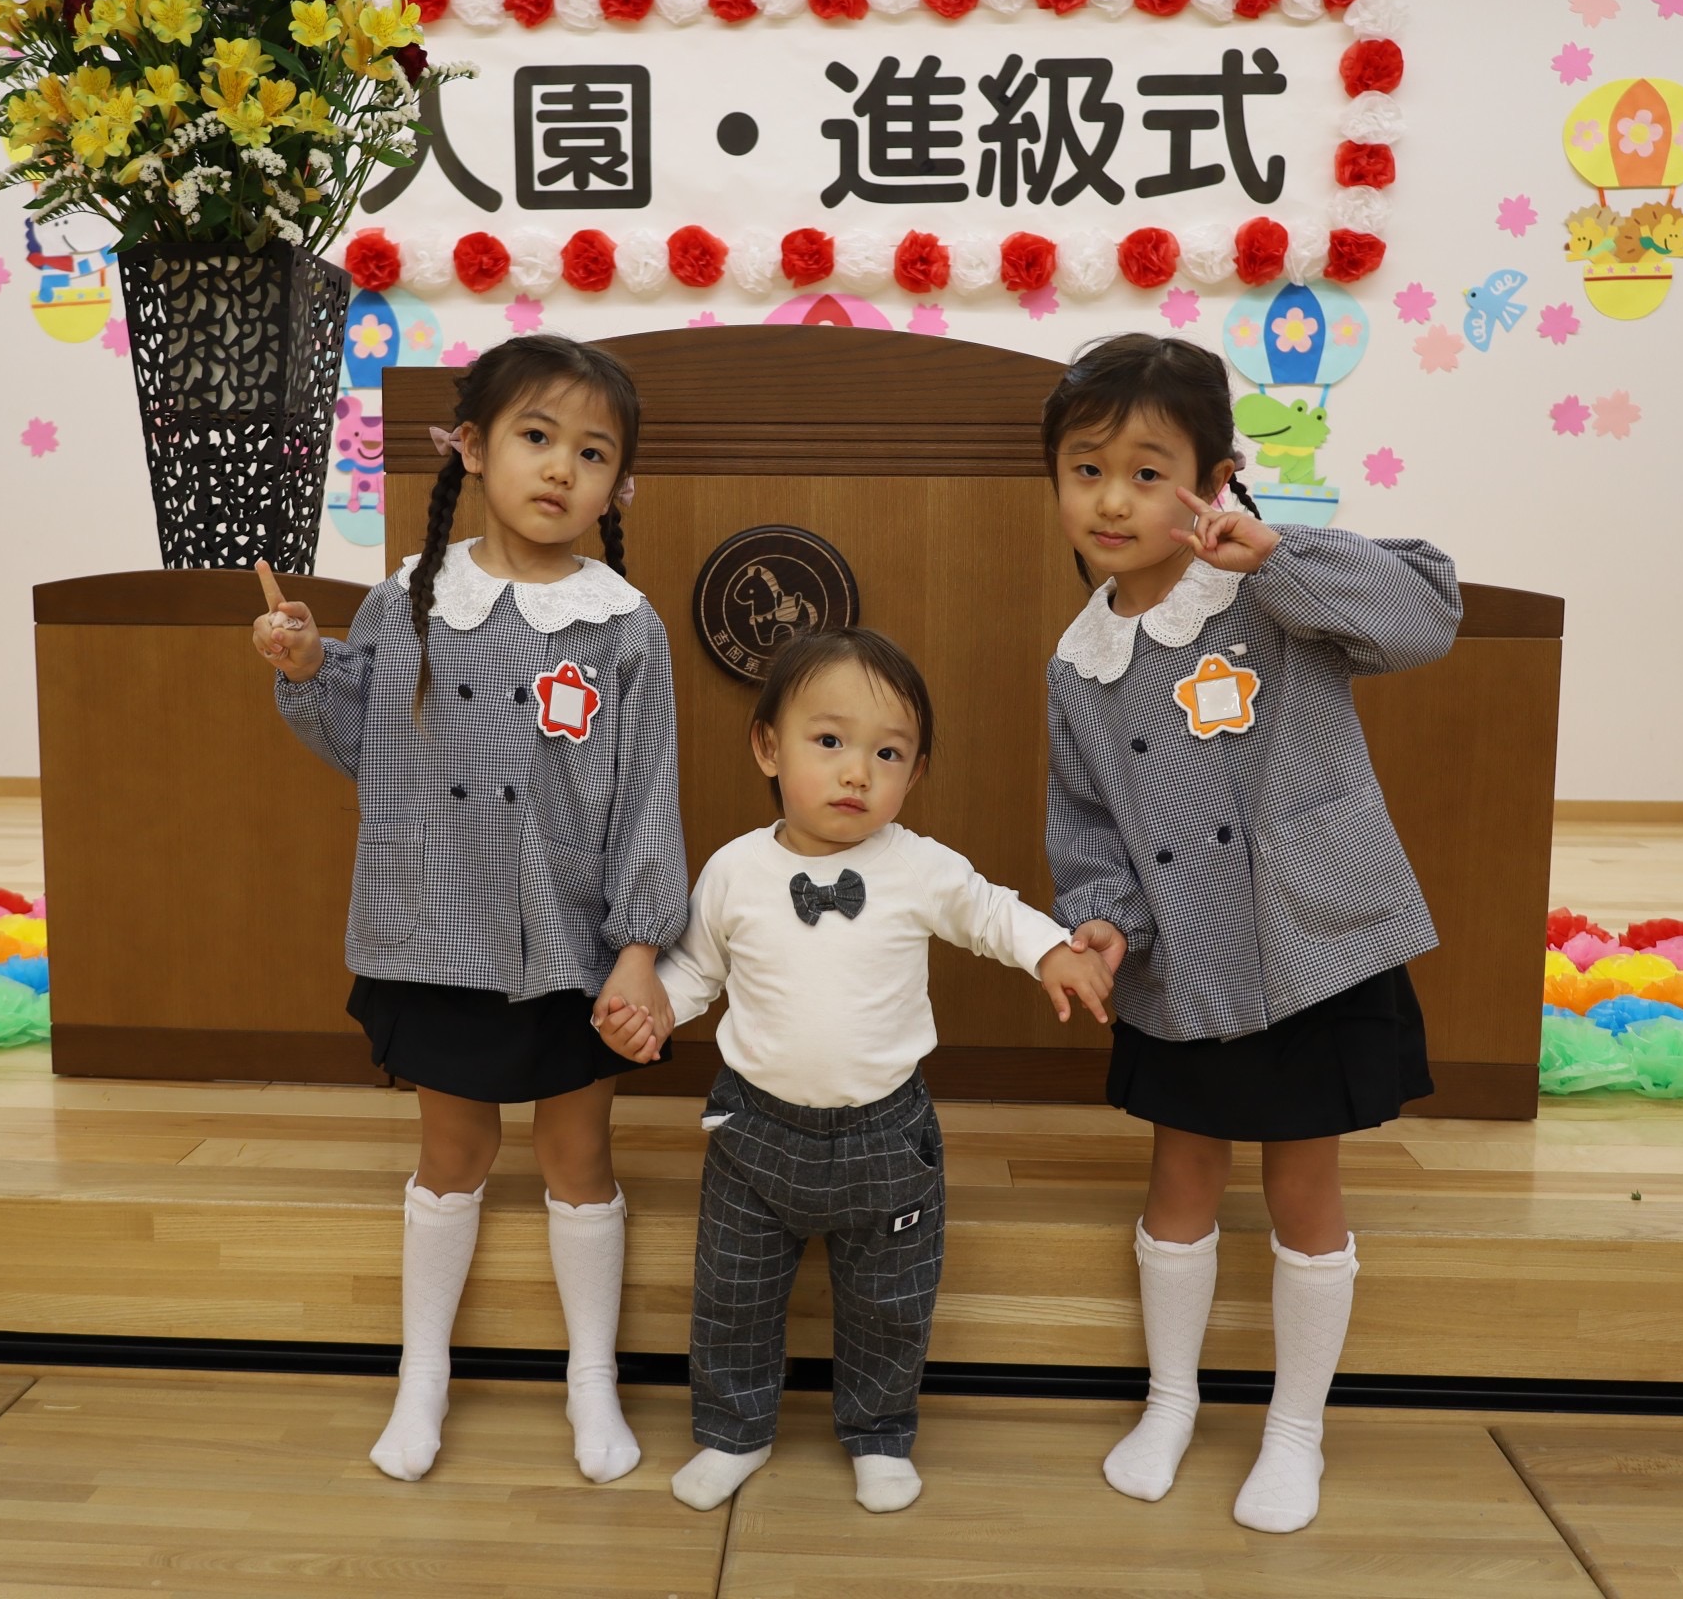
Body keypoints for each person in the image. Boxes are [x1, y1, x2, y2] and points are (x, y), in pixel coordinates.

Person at [1038, 334, 1460, 1530]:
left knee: (1304, 1183)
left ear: (1215, 479)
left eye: (1147, 471)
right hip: (1182, 962)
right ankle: (1170, 1401)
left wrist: (1277, 550)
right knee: (1178, 1174)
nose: (1113, 500)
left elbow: (1428, 614)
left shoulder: (1275, 594)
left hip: (1309, 945)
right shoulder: (1078, 662)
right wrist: (1103, 924)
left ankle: (1295, 1429)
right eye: (1086, 470)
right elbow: (1088, 828)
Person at [252, 334, 685, 1488]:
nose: (562, 468)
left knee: (578, 1152)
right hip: (437, 922)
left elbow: (649, 798)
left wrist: (639, 948)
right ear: (475, 448)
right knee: (452, 1148)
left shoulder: (623, 625)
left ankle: (591, 1376)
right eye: (538, 437)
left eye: (593, 452)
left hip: (570, 940)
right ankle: (423, 1374)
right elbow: (361, 738)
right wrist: (306, 668)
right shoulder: (409, 600)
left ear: (619, 484)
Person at [598, 628, 1113, 1516]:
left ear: (915, 774)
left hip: (886, 1135)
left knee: (889, 1301)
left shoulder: (917, 866)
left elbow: (991, 913)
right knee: (732, 1294)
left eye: (887, 754)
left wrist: (1051, 952)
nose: (856, 773)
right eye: (829, 741)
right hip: (754, 1134)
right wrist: (651, 1017)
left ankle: (879, 1432)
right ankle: (734, 1430)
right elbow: (696, 974)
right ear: (769, 746)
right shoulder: (734, 871)